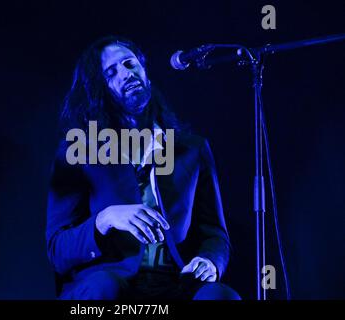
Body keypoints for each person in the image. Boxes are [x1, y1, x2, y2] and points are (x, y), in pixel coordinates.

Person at [46, 36, 240, 300]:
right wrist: (105, 219)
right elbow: (57, 251)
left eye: (129, 64)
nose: (126, 74)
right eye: (111, 72)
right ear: (99, 88)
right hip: (109, 283)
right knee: (104, 290)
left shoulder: (192, 149)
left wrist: (210, 261)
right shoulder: (78, 150)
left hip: (175, 284)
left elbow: (214, 234)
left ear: (145, 71)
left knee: (220, 297)